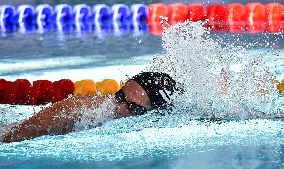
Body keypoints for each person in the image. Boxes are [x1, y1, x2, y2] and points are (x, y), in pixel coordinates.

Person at [2, 72, 180, 143]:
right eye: (119, 96)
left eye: (133, 108)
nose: (119, 107)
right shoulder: (84, 108)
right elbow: (14, 136)